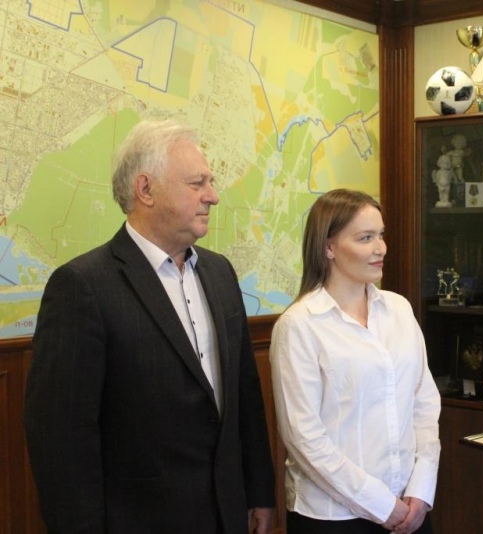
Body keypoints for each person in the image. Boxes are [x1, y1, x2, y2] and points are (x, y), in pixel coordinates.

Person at [24, 119, 276, 533]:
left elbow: (244, 394)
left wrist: (259, 491)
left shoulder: (220, 273)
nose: (212, 196)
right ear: (146, 189)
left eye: (210, 182)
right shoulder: (83, 287)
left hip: (228, 515)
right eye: (197, 183)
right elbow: (61, 440)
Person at [270, 189, 441, 534]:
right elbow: (304, 438)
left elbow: (424, 405)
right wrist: (381, 505)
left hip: (410, 508)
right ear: (328, 248)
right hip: (334, 518)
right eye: (365, 238)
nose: (381, 248)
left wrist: (422, 489)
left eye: (381, 235)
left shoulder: (399, 309)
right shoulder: (299, 325)